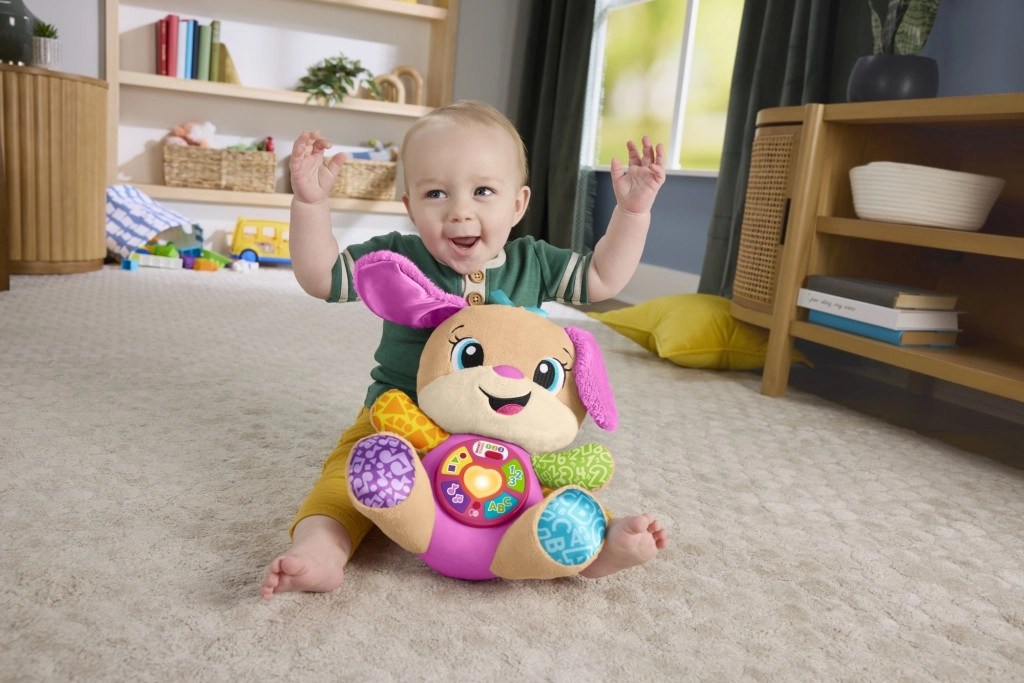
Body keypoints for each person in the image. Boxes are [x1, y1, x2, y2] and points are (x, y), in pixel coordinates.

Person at [260, 100, 669, 600]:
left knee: (544, 486)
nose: (459, 211)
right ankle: (322, 549)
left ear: (517, 204)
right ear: (410, 206)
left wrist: (632, 212)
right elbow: (321, 277)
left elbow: (602, 278)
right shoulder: (400, 257)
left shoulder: (533, 261)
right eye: (435, 193)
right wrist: (309, 204)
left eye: (482, 191)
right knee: (345, 478)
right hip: (400, 416)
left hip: (505, 428)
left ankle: (599, 540)